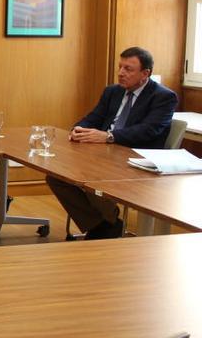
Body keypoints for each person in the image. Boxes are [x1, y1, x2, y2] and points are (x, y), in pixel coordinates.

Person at [47, 46, 177, 240]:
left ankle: (106, 224)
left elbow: (149, 130)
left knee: (91, 178)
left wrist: (109, 137)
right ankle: (103, 225)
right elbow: (93, 117)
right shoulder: (112, 92)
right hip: (103, 154)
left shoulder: (163, 97)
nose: (121, 73)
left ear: (145, 73)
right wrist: (78, 129)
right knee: (57, 176)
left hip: (136, 160)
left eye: (128, 69)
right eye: (120, 67)